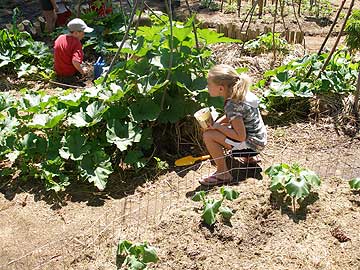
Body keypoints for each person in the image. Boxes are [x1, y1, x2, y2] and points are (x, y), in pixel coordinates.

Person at [199, 64, 267, 186]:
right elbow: (236, 118)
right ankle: (249, 158)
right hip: (259, 140)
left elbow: (240, 136)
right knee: (218, 131)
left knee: (209, 135)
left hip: (252, 146)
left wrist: (217, 127)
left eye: (209, 84)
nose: (207, 87)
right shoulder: (241, 93)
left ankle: (223, 173)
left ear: (221, 88)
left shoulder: (232, 104)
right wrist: (217, 124)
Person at [54, 18, 93, 85]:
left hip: (58, 71)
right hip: (69, 73)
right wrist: (82, 72)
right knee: (84, 67)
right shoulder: (76, 43)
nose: (84, 35)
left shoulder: (60, 38)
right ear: (76, 33)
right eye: (83, 33)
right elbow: (75, 61)